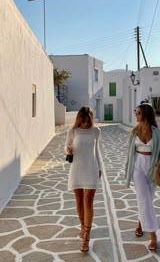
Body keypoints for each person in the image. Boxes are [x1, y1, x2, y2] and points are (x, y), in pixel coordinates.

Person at [124, 103, 160, 251]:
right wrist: (127, 168)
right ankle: (153, 236)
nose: (135, 115)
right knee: (144, 199)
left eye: (138, 113)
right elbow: (130, 152)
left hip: (152, 167)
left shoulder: (157, 132)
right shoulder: (134, 132)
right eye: (135, 112)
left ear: (145, 114)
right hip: (138, 166)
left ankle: (140, 223)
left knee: (147, 199)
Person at [65, 106, 102, 253]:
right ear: (79, 119)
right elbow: (67, 146)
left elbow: (97, 150)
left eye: (88, 120)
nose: (86, 123)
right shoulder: (72, 131)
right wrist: (68, 149)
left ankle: (86, 236)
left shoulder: (96, 131)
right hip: (77, 169)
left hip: (91, 168)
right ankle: (82, 226)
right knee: (79, 200)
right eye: (83, 120)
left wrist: (100, 168)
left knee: (88, 201)